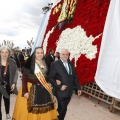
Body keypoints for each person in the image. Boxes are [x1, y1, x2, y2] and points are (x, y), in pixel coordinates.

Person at [12, 47, 58, 120]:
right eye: (37, 53)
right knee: (29, 111)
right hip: (30, 88)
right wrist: (25, 91)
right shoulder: (29, 63)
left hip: (43, 89)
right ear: (34, 54)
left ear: (43, 53)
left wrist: (50, 82)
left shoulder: (45, 62)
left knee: (45, 108)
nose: (40, 54)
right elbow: (24, 78)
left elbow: (47, 75)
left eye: (41, 53)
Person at [48, 49, 81, 120]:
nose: (65, 56)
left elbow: (74, 77)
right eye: (63, 54)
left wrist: (78, 88)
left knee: (63, 108)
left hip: (69, 91)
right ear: (59, 55)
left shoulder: (70, 64)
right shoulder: (55, 64)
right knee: (63, 108)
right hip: (60, 91)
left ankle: (56, 117)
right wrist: (59, 86)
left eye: (67, 54)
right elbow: (50, 77)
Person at [0, 46, 18, 120]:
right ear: (0, 53)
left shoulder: (12, 61)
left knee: (7, 100)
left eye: (6, 52)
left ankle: (7, 113)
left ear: (9, 53)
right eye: (2, 52)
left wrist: (14, 83)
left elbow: (16, 73)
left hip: (7, 85)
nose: (4, 54)